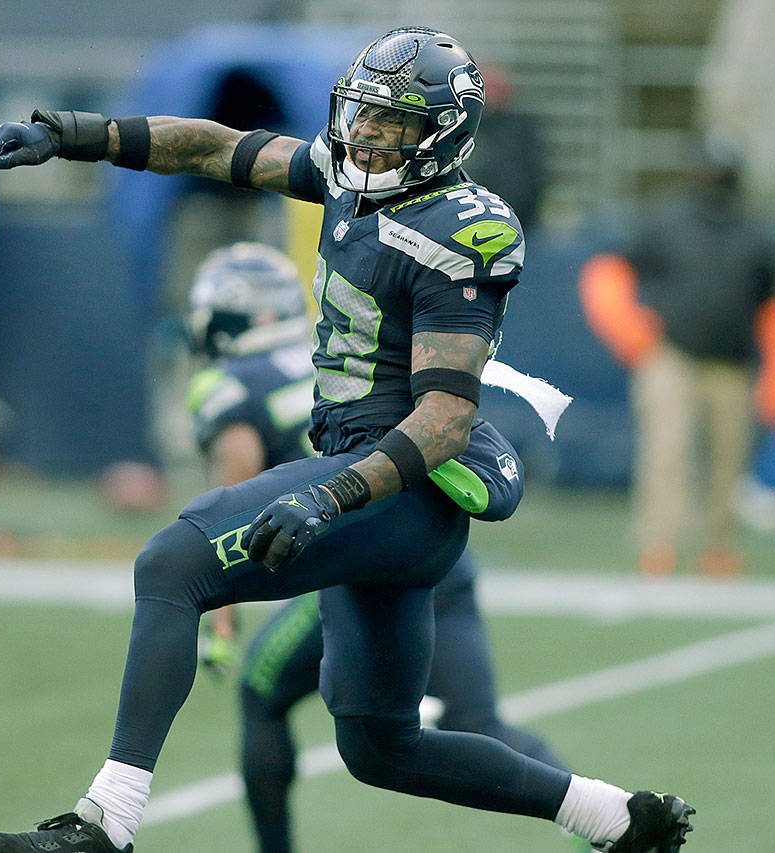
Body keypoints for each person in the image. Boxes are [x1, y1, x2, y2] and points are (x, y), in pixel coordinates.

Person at [0, 26, 693, 853]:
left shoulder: (462, 228)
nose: (364, 135)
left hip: (398, 488)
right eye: (361, 114)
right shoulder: (348, 177)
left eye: (390, 123)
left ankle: (107, 821)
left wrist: (330, 491)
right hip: (379, 495)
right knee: (379, 743)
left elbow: (444, 419)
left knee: (170, 566)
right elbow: (217, 149)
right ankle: (617, 817)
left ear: (442, 134)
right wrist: (78, 135)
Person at [184, 242, 568, 853]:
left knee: (262, 692)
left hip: (358, 554)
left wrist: (218, 615)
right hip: (440, 549)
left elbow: (232, 493)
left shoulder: (229, 384)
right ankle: (605, 821)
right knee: (477, 723)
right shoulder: (336, 352)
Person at [579, 140, 775, 577]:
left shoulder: (755, 231)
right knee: (666, 452)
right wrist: (632, 334)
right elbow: (611, 273)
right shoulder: (666, 220)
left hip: (732, 364)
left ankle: (719, 548)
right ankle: (659, 546)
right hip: (671, 356)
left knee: (728, 460)